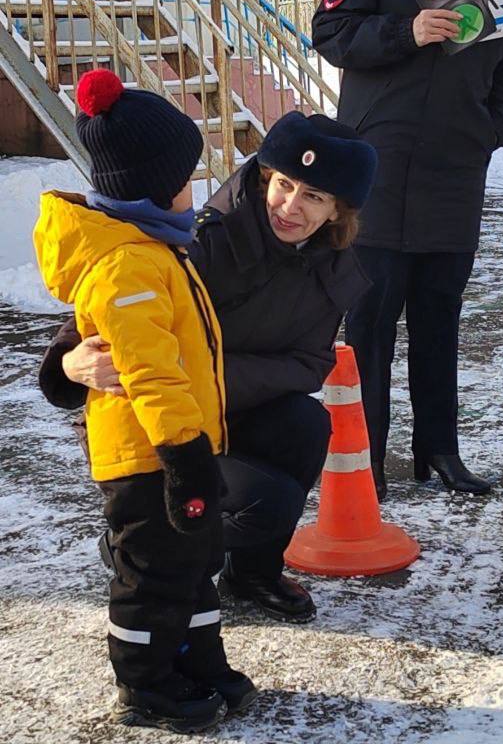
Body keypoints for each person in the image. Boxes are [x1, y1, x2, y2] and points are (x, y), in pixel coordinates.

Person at [41, 111, 376, 623]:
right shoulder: (202, 237)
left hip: (229, 407)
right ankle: (143, 550)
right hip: (159, 424)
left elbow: (310, 363)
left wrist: (214, 381)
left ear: (336, 212)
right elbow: (115, 293)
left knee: (309, 425)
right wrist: (68, 360)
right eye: (284, 184)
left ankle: (251, 574)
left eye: (313, 196)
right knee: (269, 502)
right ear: (267, 177)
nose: (289, 206)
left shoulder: (335, 267)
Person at [311, 0, 503, 498]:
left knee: (440, 319)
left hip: (453, 175)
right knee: (370, 322)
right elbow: (329, 29)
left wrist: (493, 128)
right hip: (375, 172)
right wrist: (403, 30)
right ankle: (366, 460)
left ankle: (440, 451)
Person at [32, 70, 253, 733]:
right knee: (153, 577)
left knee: (195, 569)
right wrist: (186, 458)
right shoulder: (130, 265)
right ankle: (146, 684)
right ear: (156, 185)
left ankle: (198, 657)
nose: (195, 185)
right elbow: (152, 374)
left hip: (181, 446)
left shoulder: (157, 247)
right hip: (148, 459)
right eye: (188, 173)